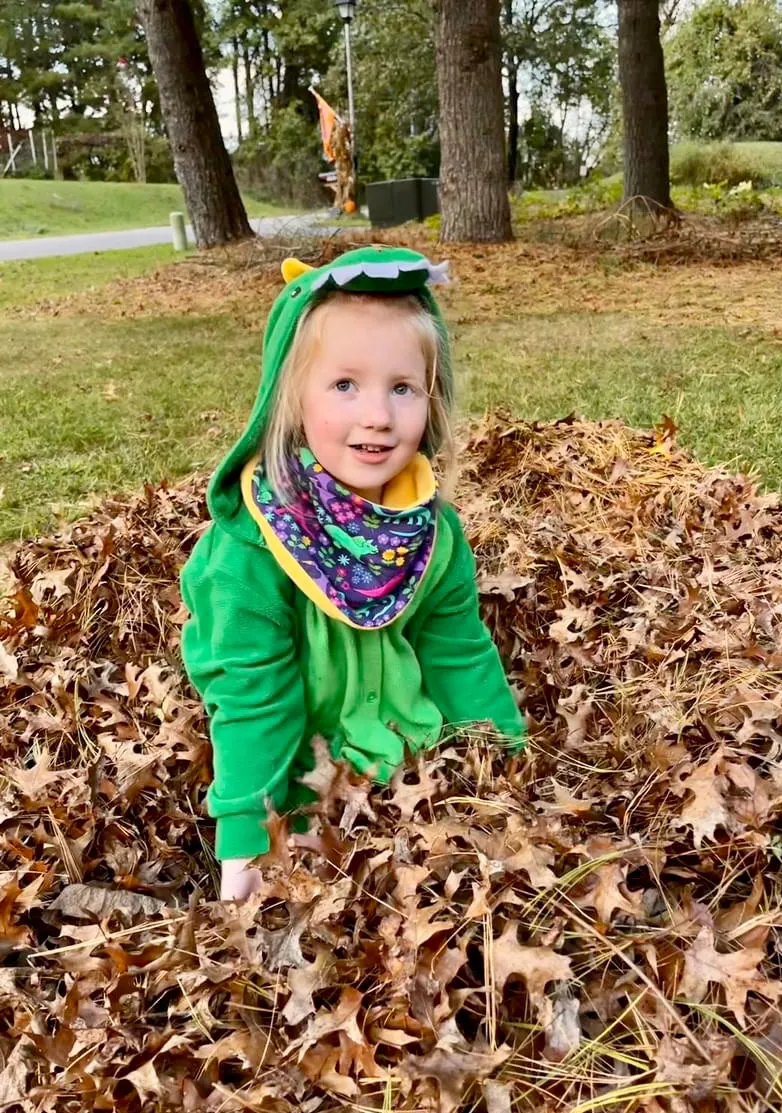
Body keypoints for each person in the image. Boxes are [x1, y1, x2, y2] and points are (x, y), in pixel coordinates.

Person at [180, 246, 525, 902]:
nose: (377, 415)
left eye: (402, 388)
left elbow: (457, 652)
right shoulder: (253, 546)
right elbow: (256, 696)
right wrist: (246, 841)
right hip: (291, 759)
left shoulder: (429, 531)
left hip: (396, 746)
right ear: (291, 397)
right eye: (344, 385)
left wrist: (503, 756)